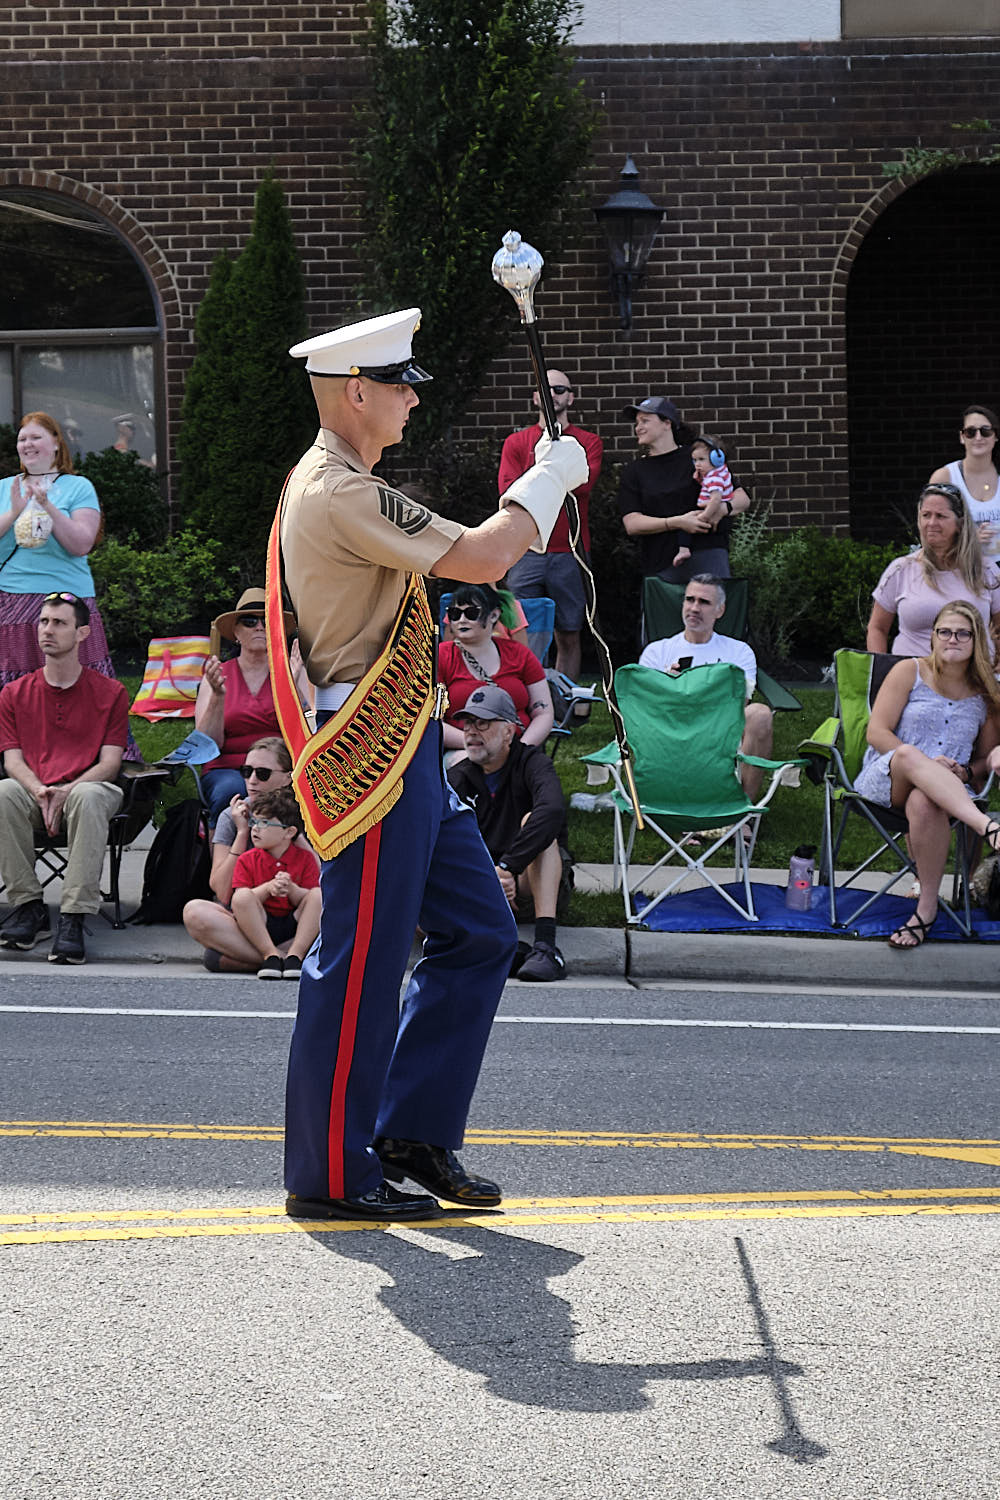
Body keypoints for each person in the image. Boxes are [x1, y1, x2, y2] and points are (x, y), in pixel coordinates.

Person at [271, 306, 587, 1223]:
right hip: (370, 751)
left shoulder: (343, 481)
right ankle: (330, 1171)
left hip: (406, 747)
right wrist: (549, 478)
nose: (412, 400)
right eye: (401, 384)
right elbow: (488, 558)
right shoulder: (342, 492)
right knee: (361, 959)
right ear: (357, 392)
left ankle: (409, 1131)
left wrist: (542, 480)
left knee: (483, 933)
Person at [853, 600, 1000, 950]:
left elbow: (982, 763)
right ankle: (988, 827)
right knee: (908, 754)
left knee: (924, 800)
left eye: (962, 633)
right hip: (889, 777)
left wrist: (964, 770)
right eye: (944, 632)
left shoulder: (986, 695)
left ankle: (926, 910)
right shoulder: (909, 671)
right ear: (932, 637)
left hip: (948, 791)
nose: (952, 639)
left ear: (976, 640)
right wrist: (926, 763)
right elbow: (878, 733)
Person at [0, 592, 129, 964]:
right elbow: (12, 760)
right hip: (34, 789)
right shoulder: (13, 693)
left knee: (88, 797)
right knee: (5, 792)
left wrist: (67, 790)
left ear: (83, 633)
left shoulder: (111, 692)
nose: (48, 630)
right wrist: (40, 790)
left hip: (89, 788)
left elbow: (110, 763)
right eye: (43, 622)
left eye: (59, 623)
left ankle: (73, 916)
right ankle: (28, 907)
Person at [447, 684, 570, 983]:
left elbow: (552, 811)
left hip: (529, 883)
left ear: (508, 731)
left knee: (536, 823)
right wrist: (489, 880)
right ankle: (494, 946)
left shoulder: (533, 762)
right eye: (468, 724)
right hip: (484, 889)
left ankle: (545, 947)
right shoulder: (458, 776)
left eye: (483, 723)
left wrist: (508, 868)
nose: (472, 732)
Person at [182, 735, 320, 974]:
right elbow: (223, 892)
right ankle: (283, 959)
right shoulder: (232, 816)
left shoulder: (308, 814)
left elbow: (322, 884)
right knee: (195, 912)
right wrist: (242, 832)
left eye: (263, 773)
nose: (252, 781)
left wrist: (291, 832)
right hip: (250, 921)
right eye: (246, 771)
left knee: (332, 906)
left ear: (288, 777)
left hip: (301, 918)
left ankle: (246, 958)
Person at [498, 367, 603, 679]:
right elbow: (510, 491)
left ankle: (565, 703)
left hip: (570, 550)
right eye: (546, 388)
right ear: (535, 397)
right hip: (526, 548)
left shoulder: (588, 442)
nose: (552, 394)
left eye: (559, 389)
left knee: (569, 632)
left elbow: (582, 484)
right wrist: (557, 472)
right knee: (523, 631)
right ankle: (531, 702)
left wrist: (538, 480)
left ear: (571, 397)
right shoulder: (516, 442)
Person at [0, 411, 115, 688]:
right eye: (22, 438)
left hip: (67, 601)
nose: (27, 444)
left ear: (55, 443)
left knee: (78, 685)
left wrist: (48, 506)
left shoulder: (78, 487)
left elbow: (81, 544)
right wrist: (15, 511)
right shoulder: (5, 488)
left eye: (36, 437)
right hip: (13, 604)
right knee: (19, 688)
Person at [639, 574, 773, 799]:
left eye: (704, 602)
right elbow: (645, 712)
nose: (694, 608)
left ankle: (741, 811)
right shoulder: (657, 652)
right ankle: (689, 815)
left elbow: (740, 705)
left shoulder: (738, 652)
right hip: (673, 735)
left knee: (759, 714)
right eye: (689, 600)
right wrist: (666, 687)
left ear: (720, 611)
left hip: (722, 732)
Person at [194, 587, 310, 823]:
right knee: (230, 791)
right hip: (228, 767)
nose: (259, 626)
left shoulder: (294, 671)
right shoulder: (217, 675)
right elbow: (208, 745)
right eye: (249, 621)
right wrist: (217, 696)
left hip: (280, 768)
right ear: (236, 632)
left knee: (302, 793)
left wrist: (294, 689)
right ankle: (223, 859)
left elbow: (307, 732)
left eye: (267, 620)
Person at [617, 397, 750, 584]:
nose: (638, 427)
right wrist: (678, 522)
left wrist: (722, 509)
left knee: (712, 611)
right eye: (637, 423)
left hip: (708, 555)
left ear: (667, 423)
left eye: (645, 421)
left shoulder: (696, 457)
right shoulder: (635, 471)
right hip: (661, 565)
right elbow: (632, 524)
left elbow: (742, 498)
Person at [866, 484, 1000, 657]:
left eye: (941, 516)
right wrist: (881, 669)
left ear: (960, 523)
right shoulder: (901, 569)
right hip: (912, 677)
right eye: (926, 515)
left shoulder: (986, 571)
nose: (931, 523)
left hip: (973, 679)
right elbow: (877, 627)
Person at [438, 582, 553, 755]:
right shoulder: (441, 657)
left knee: (541, 777)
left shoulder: (520, 654)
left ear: (493, 615)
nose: (462, 620)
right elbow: (428, 719)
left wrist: (520, 749)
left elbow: (543, 713)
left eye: (471, 613)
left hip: (519, 748)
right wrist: (480, 745)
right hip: (463, 750)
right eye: (455, 614)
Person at [229, 786, 322, 981]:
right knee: (242, 895)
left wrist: (292, 890)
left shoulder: (304, 858)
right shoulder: (247, 859)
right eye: (253, 822)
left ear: (289, 832)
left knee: (318, 895)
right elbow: (241, 902)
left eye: (264, 823)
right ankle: (270, 955)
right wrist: (268, 888)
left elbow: (310, 902)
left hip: (296, 924)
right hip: (259, 924)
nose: (255, 828)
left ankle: (295, 955)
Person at [928, 405, 1000, 561]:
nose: (978, 437)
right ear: (962, 437)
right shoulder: (945, 478)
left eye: (985, 431)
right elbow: (930, 530)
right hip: (960, 571)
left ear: (995, 436)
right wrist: (969, 540)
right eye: (970, 432)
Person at [672, 437, 735, 569]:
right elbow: (710, 488)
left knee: (685, 524)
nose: (697, 464)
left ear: (716, 458)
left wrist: (705, 516)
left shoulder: (714, 477)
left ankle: (684, 550)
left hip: (711, 511)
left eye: (701, 459)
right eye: (694, 460)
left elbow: (716, 499)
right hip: (714, 509)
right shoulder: (720, 470)